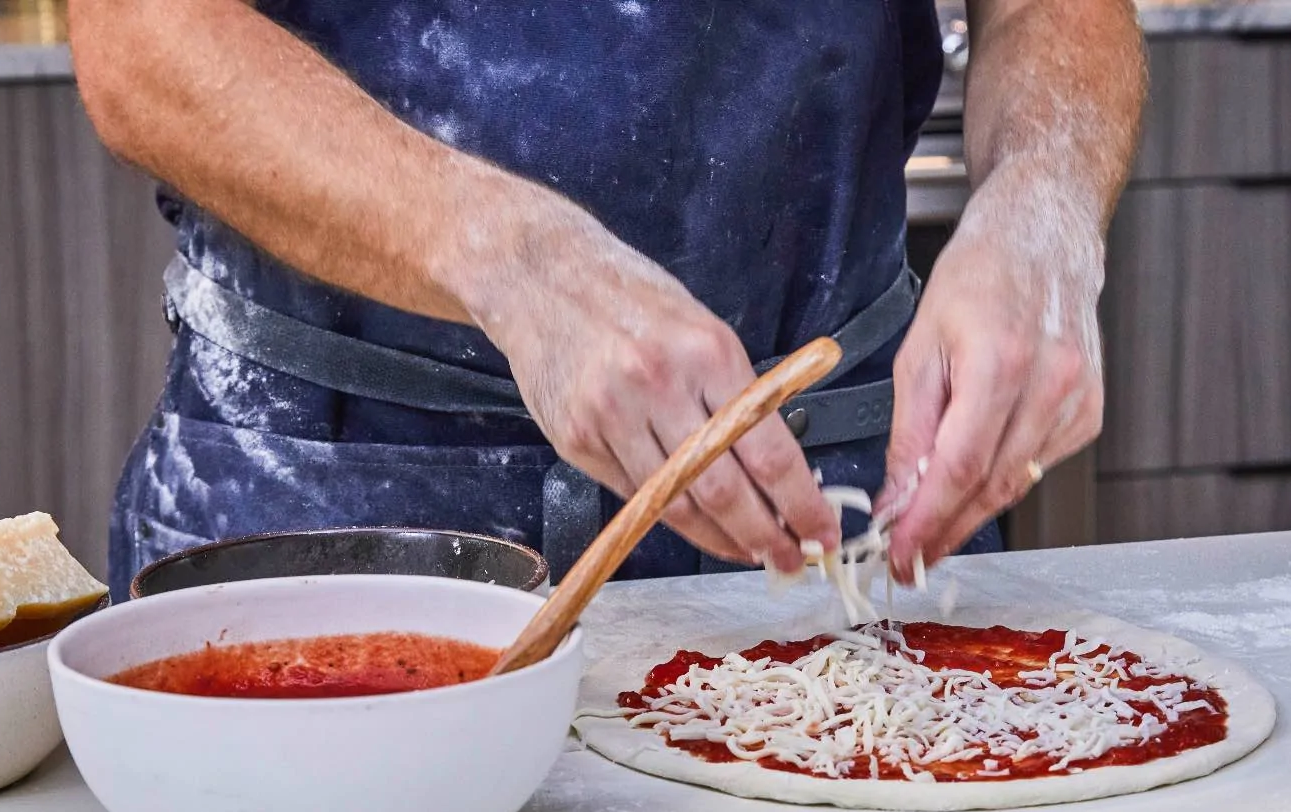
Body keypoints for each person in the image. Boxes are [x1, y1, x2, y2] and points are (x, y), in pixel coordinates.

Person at [71, 1, 1146, 600]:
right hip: (339, 510)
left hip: (830, 523)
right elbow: (142, 39)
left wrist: (1042, 200)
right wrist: (513, 258)